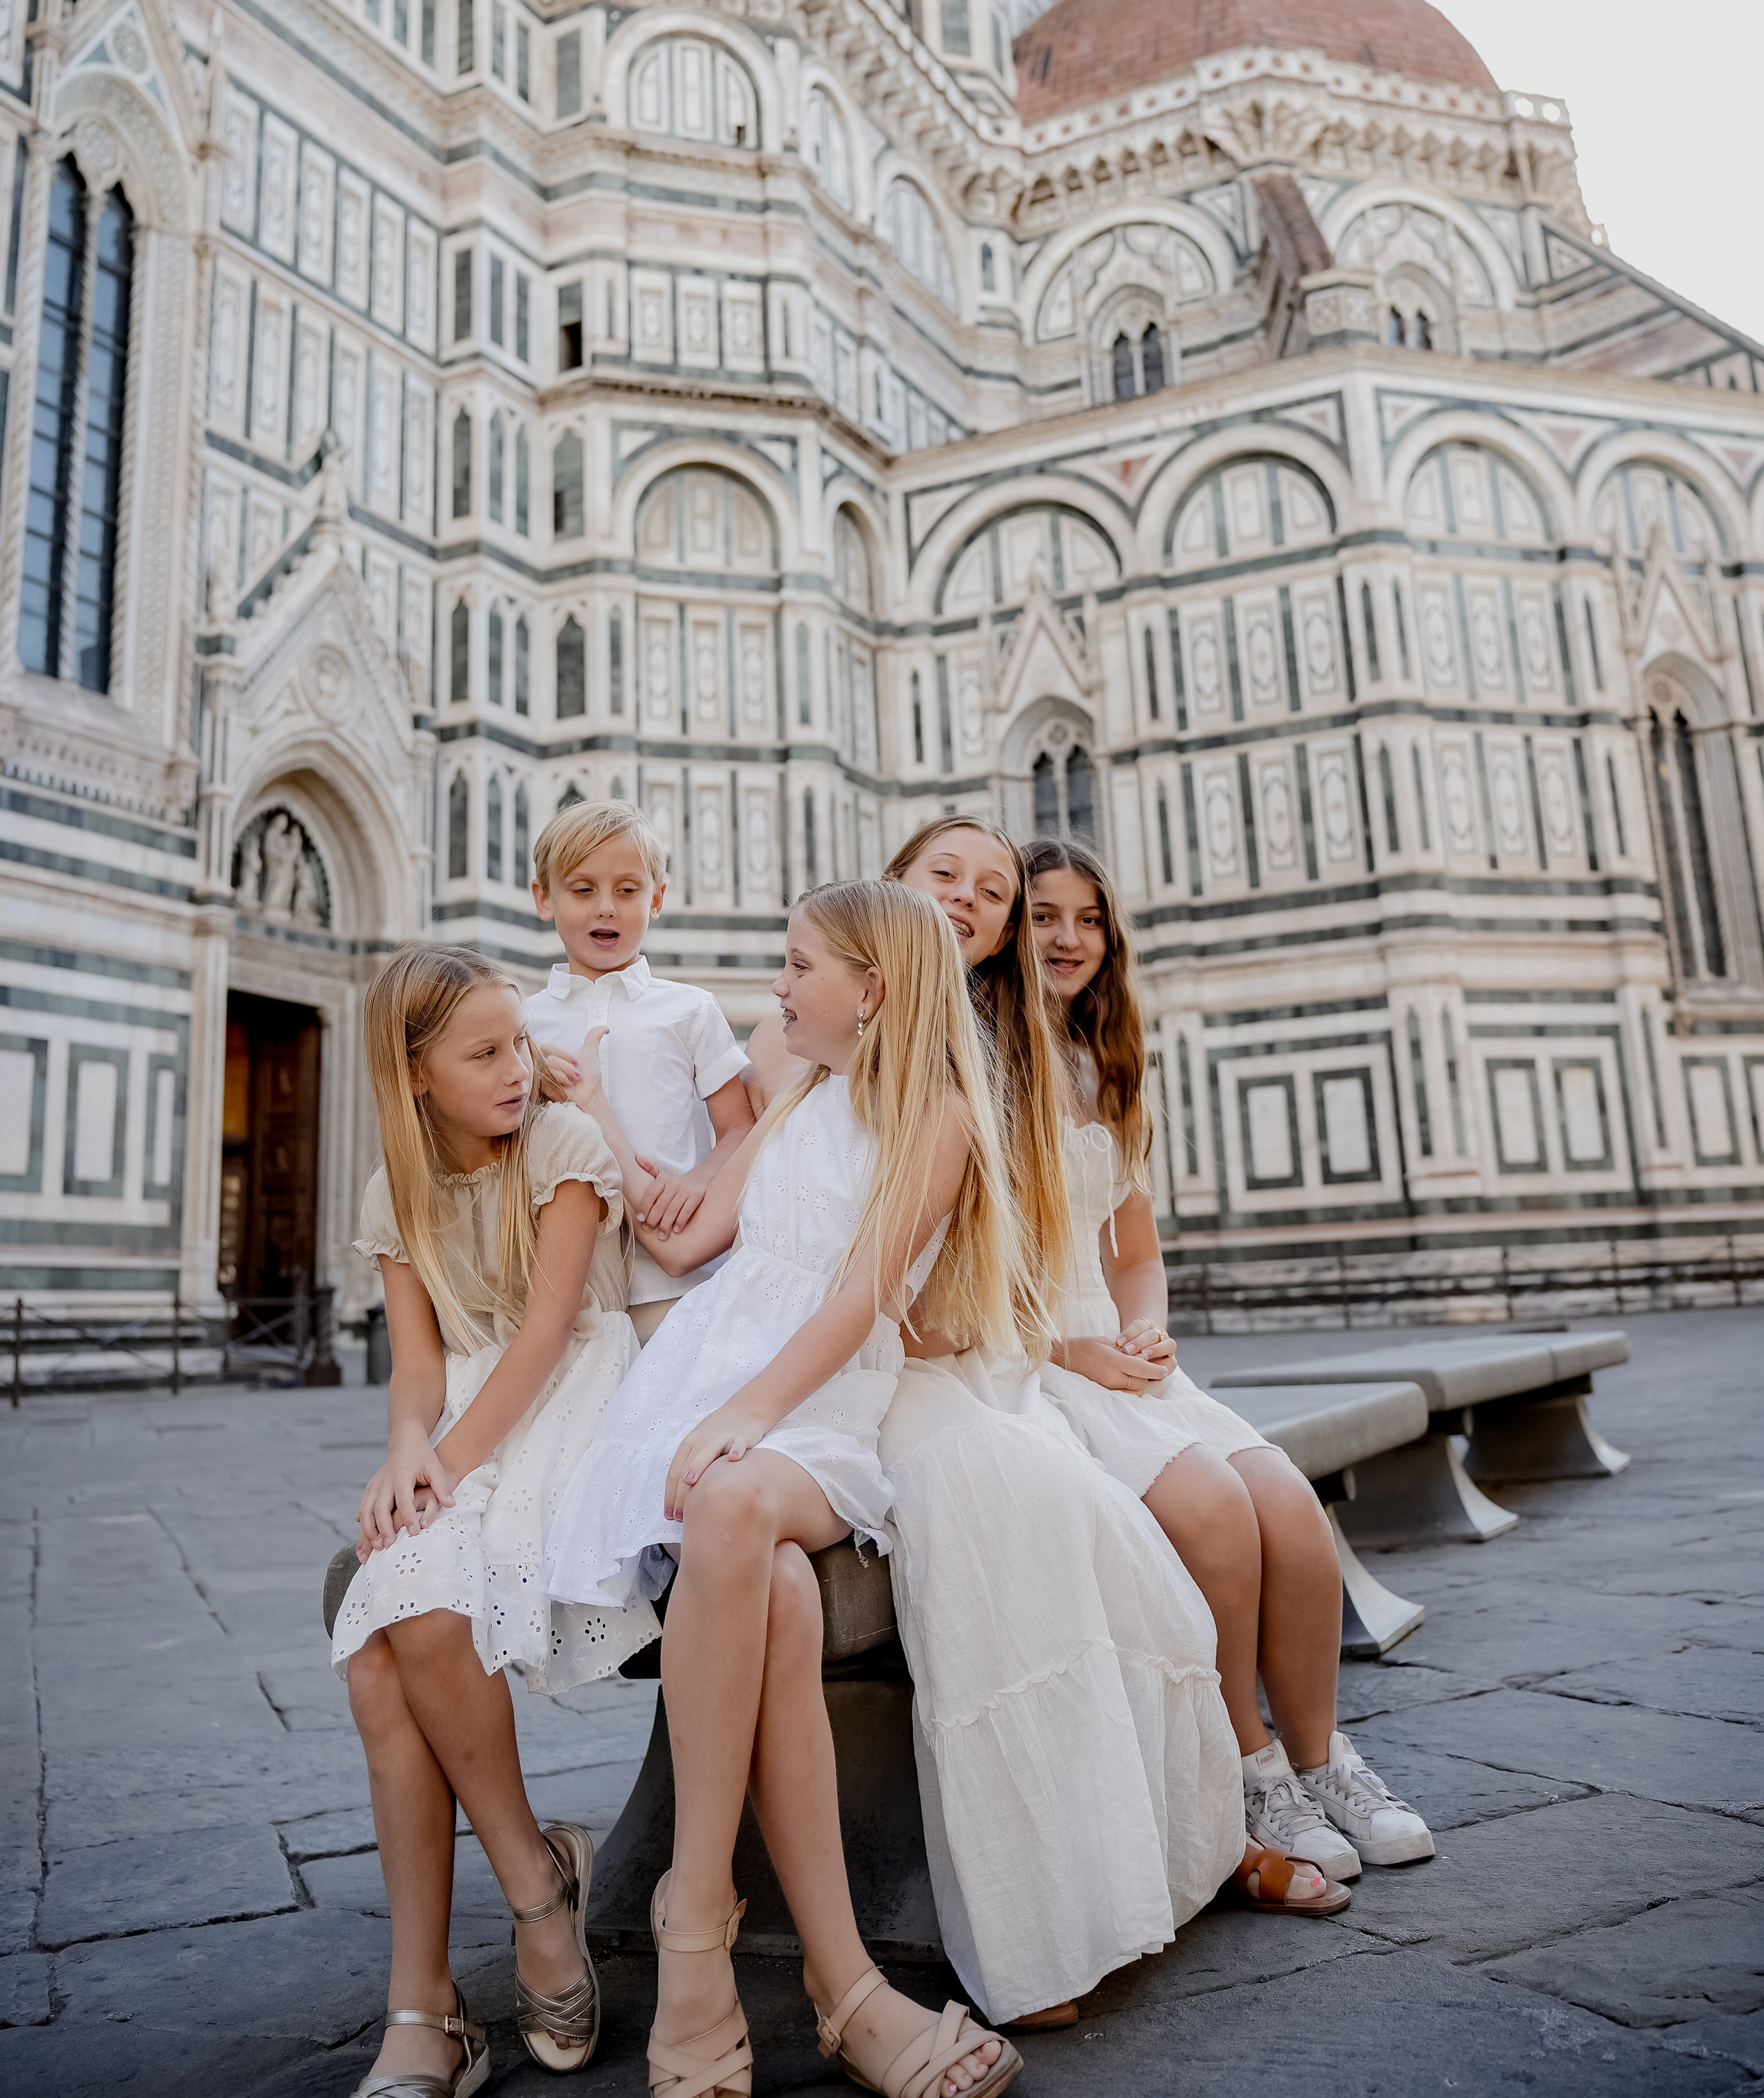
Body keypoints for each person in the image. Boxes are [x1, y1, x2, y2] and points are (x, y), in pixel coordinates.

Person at [768, 818, 1262, 2033]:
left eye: (996, 891)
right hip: (851, 1389)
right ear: (888, 895)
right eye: (949, 879)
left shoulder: (970, 1075)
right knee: (1007, 1531)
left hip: (950, 1369)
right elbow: (732, 1218)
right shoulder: (799, 1039)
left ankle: (1147, 1870)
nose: (976, 903)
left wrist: (956, 1329)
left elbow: (966, 1282)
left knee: (1102, 1541)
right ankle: (1045, 1932)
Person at [546, 880, 1025, 2098]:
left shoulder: (942, 1118)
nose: (776, 984)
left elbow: (862, 1290)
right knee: (775, 1590)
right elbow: (688, 1240)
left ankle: (695, 1911)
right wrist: (595, 1106)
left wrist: (748, 1415)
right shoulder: (796, 1079)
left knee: (738, 1501)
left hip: (816, 1408)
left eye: (798, 964)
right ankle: (846, 1986)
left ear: (869, 988)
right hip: (706, 1380)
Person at [1025, 835, 1435, 1881]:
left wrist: (1145, 1326)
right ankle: (1248, 1771)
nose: (1068, 937)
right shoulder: (975, 1066)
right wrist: (1076, 1350)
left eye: (1088, 918)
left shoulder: (1103, 1066)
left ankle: (1322, 1760)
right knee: (1212, 1507)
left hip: (1116, 1348)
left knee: (1290, 1508)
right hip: (1032, 1357)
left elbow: (1138, 1251)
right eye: (1042, 915)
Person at [331, 945, 652, 2092]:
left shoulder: (562, 1147)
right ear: (415, 1076)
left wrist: (447, 1469)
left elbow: (548, 1332)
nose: (518, 1067)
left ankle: (442, 1995)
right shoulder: (393, 1190)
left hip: (573, 1409)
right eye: (485, 1053)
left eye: (520, 1041)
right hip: (472, 1414)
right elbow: (420, 1366)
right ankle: (516, 1907)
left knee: (400, 1632)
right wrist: (408, 1454)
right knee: (378, 1653)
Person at [524, 800, 753, 1345]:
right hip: (562, 1289)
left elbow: (742, 1129)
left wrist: (696, 1181)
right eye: (582, 890)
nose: (606, 908)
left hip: (674, 1290)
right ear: (543, 898)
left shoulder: (690, 1010)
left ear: (656, 899)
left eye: (627, 891)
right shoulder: (524, 1021)